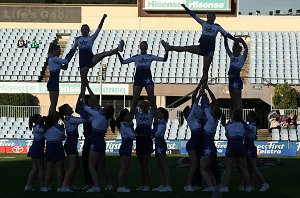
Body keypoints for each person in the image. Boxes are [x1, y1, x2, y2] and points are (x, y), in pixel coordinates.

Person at [161, 3, 238, 89]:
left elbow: (226, 34)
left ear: (214, 18)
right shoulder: (203, 23)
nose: (210, 18)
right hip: (201, 47)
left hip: (209, 51)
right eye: (209, 17)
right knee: (186, 48)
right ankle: (169, 47)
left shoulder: (217, 27)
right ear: (207, 17)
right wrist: (186, 8)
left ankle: (204, 87)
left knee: (205, 70)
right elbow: (194, 16)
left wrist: (234, 39)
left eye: (212, 17)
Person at [69, 14, 124, 96]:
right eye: (83, 29)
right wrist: (67, 59)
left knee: (103, 54)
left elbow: (99, 28)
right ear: (81, 30)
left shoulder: (91, 38)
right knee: (83, 81)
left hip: (91, 58)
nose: (84, 30)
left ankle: (117, 49)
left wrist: (103, 18)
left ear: (88, 31)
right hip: (83, 63)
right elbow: (73, 50)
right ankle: (83, 97)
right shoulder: (77, 40)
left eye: (86, 29)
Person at [117, 41, 169, 114]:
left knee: (152, 98)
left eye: (145, 46)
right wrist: (117, 52)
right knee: (135, 99)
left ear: (147, 47)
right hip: (138, 78)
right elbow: (123, 62)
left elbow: (164, 59)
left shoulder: (150, 56)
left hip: (147, 78)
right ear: (140, 47)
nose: (143, 47)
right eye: (142, 46)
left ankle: (155, 116)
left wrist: (167, 51)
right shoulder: (136, 57)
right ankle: (131, 116)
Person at [80, 84, 115, 193]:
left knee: (90, 166)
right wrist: (88, 88)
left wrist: (82, 92)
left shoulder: (97, 115)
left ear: (105, 111)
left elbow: (83, 105)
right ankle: (109, 185)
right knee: (103, 165)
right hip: (101, 143)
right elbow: (95, 102)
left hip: (95, 143)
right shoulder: (104, 118)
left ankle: (96, 186)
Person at [219, 110, 252, 192]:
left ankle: (226, 187)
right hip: (241, 146)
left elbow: (227, 135)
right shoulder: (243, 126)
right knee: (244, 168)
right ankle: (248, 186)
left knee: (228, 168)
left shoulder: (229, 126)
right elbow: (245, 135)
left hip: (231, 146)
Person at [200, 89, 224, 192]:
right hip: (210, 146)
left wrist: (203, 96)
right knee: (208, 169)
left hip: (207, 147)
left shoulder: (210, 119)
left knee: (202, 169)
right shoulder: (214, 121)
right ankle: (213, 186)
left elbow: (205, 107)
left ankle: (210, 186)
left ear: (214, 112)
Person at [59, 103, 85, 192]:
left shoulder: (69, 119)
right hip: (71, 144)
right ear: (66, 111)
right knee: (73, 166)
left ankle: (70, 184)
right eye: (69, 108)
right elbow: (82, 120)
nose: (71, 108)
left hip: (71, 144)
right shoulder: (70, 119)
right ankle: (65, 186)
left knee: (75, 165)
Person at [181, 89, 204, 192]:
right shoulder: (190, 118)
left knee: (197, 165)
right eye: (190, 109)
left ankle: (194, 184)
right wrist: (200, 95)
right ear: (188, 113)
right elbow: (194, 104)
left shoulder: (194, 119)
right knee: (194, 165)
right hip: (193, 144)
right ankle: (188, 184)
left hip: (196, 143)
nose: (192, 109)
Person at [242, 111, 270, 192]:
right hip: (248, 147)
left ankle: (264, 183)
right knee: (251, 168)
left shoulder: (252, 125)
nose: (247, 117)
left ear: (252, 118)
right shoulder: (251, 125)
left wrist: (240, 120)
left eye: (248, 116)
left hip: (250, 148)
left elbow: (248, 128)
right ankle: (251, 186)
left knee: (253, 168)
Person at [134, 101, 154, 192]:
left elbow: (154, 105)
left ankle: (147, 184)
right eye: (143, 105)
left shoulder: (151, 115)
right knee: (141, 164)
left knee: (145, 164)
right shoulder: (137, 115)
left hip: (147, 140)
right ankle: (142, 183)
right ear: (140, 107)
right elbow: (133, 105)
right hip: (139, 140)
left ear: (149, 107)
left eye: (146, 105)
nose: (144, 107)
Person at [44, 112, 66, 192]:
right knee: (59, 169)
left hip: (50, 147)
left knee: (49, 169)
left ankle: (46, 187)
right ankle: (59, 187)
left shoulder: (45, 128)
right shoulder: (60, 128)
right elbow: (63, 137)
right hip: (58, 147)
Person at [25, 114, 47, 192]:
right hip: (37, 149)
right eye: (40, 118)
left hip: (35, 148)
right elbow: (44, 130)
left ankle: (28, 185)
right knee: (41, 168)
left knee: (35, 168)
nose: (42, 119)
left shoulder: (36, 127)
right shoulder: (38, 127)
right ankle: (42, 186)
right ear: (37, 120)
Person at [224, 37, 248, 110]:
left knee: (238, 101)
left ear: (240, 50)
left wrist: (242, 41)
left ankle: (239, 117)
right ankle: (235, 116)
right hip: (230, 80)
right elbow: (226, 47)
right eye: (233, 49)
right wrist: (225, 38)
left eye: (236, 49)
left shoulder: (242, 58)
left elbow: (246, 49)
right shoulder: (232, 56)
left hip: (236, 79)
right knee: (233, 102)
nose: (234, 50)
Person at [152, 107, 172, 192]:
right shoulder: (158, 122)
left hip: (160, 144)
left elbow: (157, 134)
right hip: (158, 144)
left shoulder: (162, 122)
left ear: (163, 114)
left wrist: (150, 133)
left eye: (158, 113)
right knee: (160, 166)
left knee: (163, 165)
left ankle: (168, 185)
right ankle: (162, 184)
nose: (157, 114)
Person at [47, 42, 70, 115]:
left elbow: (64, 67)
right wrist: (70, 54)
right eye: (58, 50)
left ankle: (51, 118)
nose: (59, 52)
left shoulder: (54, 59)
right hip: (53, 82)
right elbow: (66, 61)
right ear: (53, 51)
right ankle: (50, 119)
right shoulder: (54, 59)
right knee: (53, 104)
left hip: (54, 82)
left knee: (54, 104)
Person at [116, 109, 135, 193]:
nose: (130, 116)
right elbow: (132, 136)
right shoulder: (125, 125)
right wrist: (131, 127)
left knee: (125, 168)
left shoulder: (124, 124)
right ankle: (120, 186)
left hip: (126, 147)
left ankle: (122, 186)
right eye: (128, 115)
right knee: (124, 168)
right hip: (126, 148)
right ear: (124, 117)